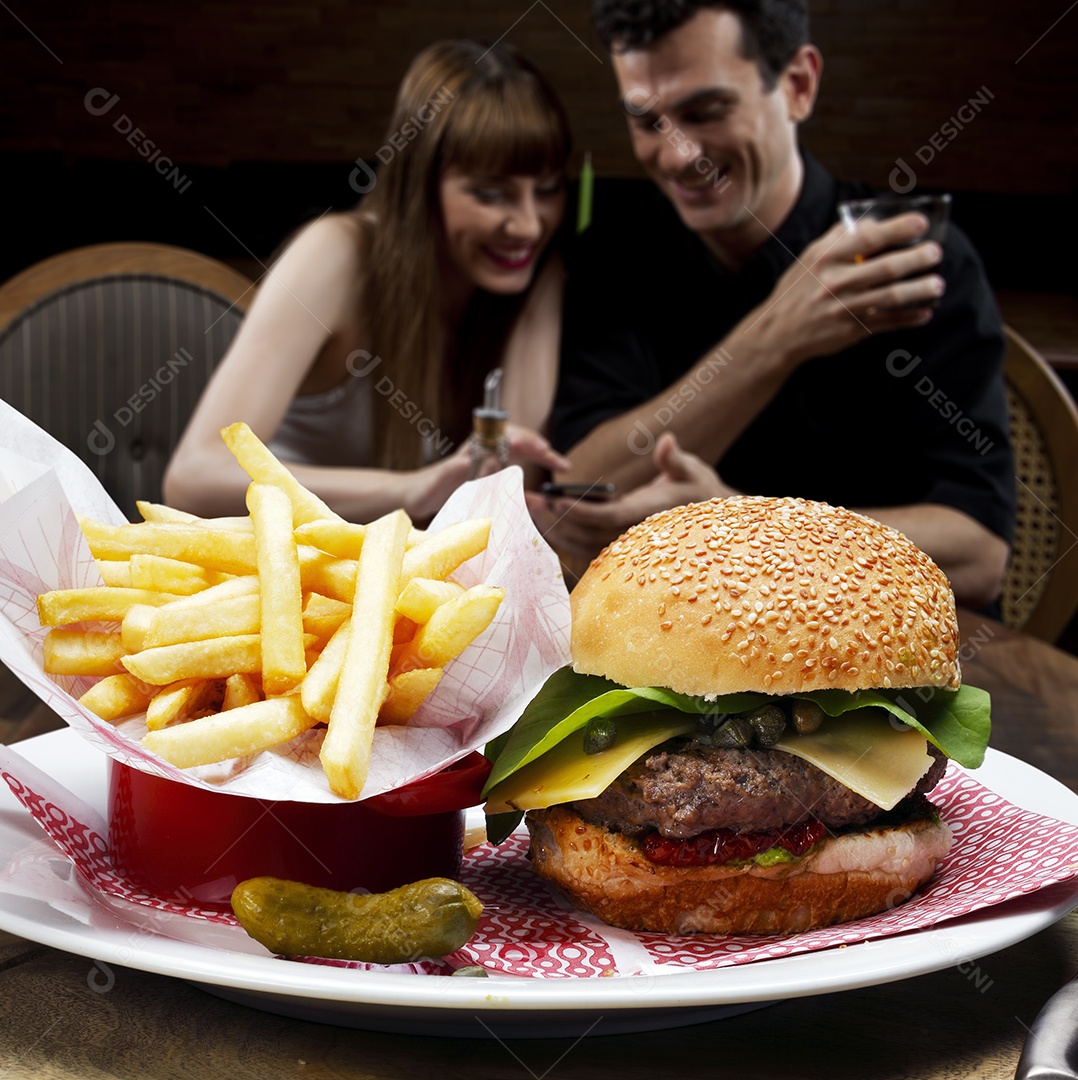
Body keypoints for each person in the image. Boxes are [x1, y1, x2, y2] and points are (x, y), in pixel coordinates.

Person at [534, 0, 1014, 610]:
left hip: (880, 664)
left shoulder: (911, 256)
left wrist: (737, 523)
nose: (678, 154)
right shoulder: (611, 258)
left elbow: (979, 556)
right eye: (645, 120)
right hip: (680, 650)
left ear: (798, 86)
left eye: (705, 112)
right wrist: (775, 336)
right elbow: (582, 485)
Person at [164, 39, 571, 525]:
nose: (528, 225)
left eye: (546, 191)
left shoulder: (534, 274)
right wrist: (413, 489)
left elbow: (508, 488)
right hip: (278, 577)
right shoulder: (336, 256)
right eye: (490, 194)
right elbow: (193, 478)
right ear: (421, 185)